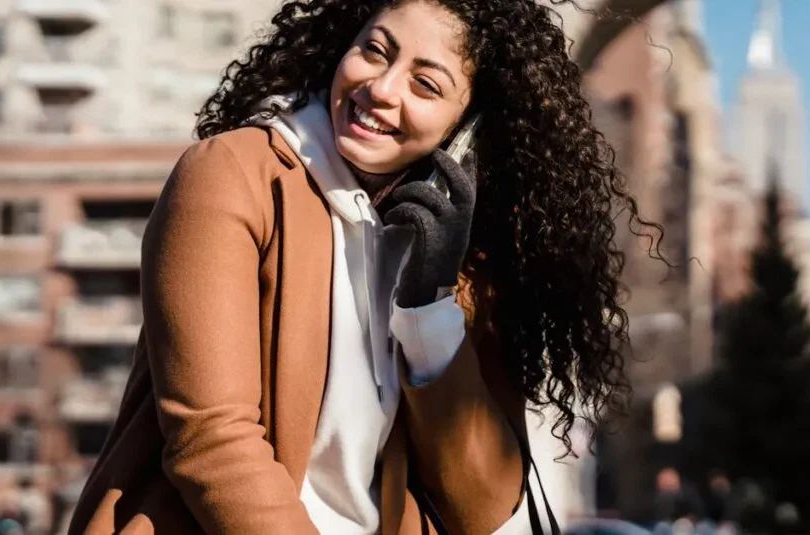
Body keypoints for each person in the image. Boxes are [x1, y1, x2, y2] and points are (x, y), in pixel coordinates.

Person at [67, 0, 663, 533]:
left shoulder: (453, 252)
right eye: (374, 51)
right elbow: (212, 443)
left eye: (425, 85)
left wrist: (430, 310)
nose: (381, 88)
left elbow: (484, 508)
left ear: (469, 129)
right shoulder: (233, 175)